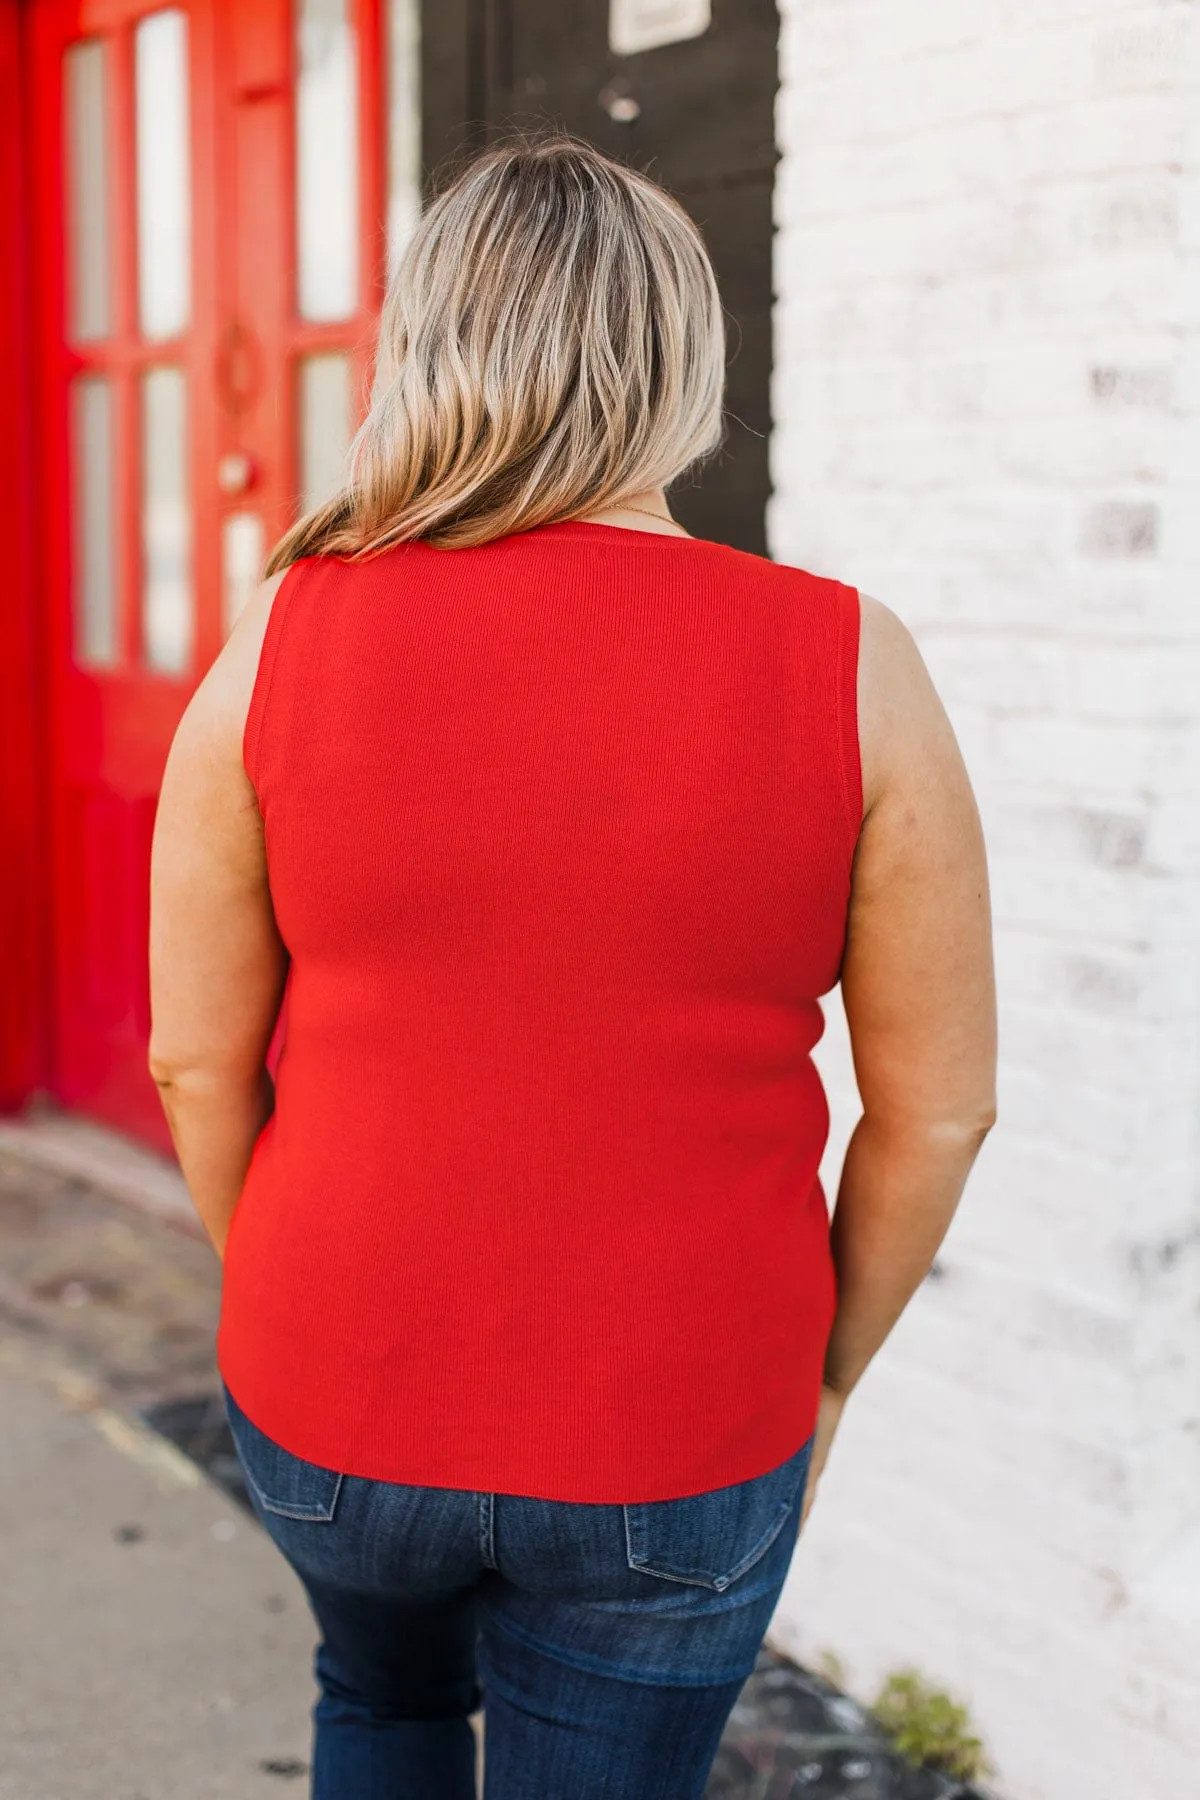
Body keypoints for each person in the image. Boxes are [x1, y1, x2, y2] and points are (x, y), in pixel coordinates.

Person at [147, 133, 996, 1800]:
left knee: (378, 1709)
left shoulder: (279, 644)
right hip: (681, 1418)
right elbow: (939, 1113)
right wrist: (819, 1380)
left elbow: (195, 1059)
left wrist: (297, 1300)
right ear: (683, 357)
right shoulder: (850, 663)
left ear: (425, 347)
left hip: (330, 1389)